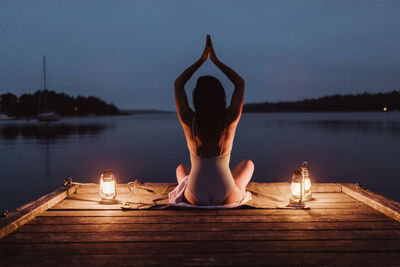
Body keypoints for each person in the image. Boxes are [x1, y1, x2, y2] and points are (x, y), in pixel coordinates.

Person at [174, 35, 254, 205]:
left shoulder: (190, 121)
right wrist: (216, 61)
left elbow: (179, 84)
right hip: (226, 196)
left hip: (195, 197)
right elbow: (240, 83)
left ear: (197, 98)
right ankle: (223, 179)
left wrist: (202, 59)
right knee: (249, 164)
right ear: (221, 97)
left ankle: (206, 181)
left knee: (181, 169)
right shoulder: (229, 120)